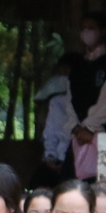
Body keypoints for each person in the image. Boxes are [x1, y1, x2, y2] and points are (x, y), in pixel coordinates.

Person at [63, 13, 106, 180]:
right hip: (79, 134)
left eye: (92, 28)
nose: (86, 33)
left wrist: (89, 128)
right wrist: (75, 127)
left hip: (102, 132)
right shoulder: (78, 66)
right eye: (83, 29)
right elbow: (69, 100)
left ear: (104, 31)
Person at [32, 56, 77, 186]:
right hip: (58, 159)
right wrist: (51, 156)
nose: (63, 75)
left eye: (66, 71)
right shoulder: (56, 101)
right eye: (60, 72)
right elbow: (51, 132)